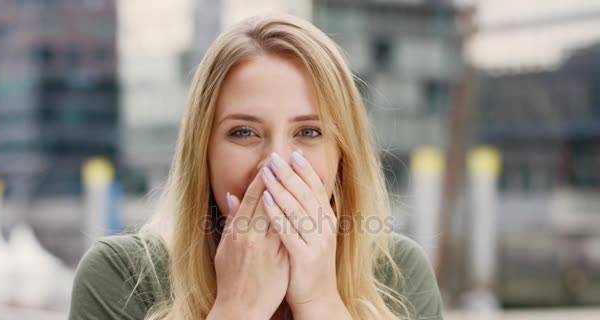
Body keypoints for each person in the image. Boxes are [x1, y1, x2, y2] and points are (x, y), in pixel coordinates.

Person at [69, 13, 442, 320]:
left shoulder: (399, 272)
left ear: (342, 154)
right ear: (203, 152)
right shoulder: (120, 276)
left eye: (309, 132)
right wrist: (238, 308)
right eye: (244, 132)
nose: (275, 164)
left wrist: (320, 302)